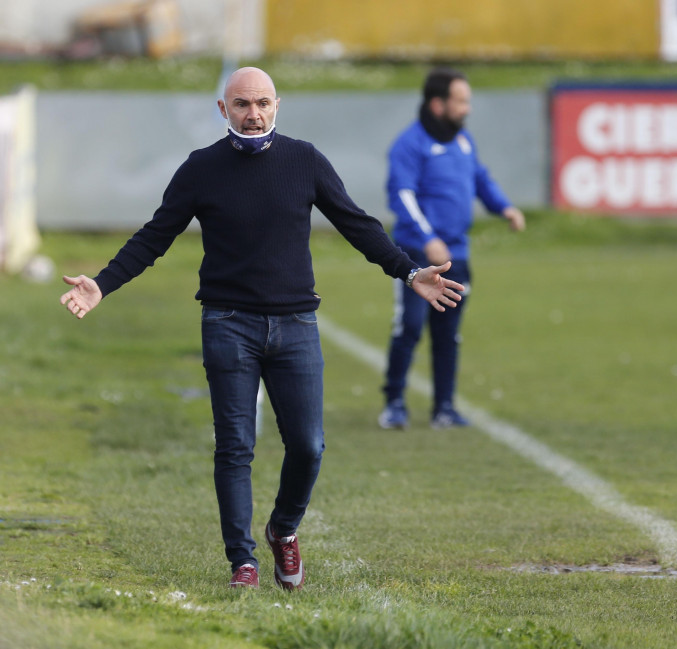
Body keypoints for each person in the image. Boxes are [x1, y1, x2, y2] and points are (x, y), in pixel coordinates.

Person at [59, 67, 464, 590]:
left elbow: (356, 223)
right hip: (227, 324)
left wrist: (409, 271)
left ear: (278, 106)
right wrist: (102, 284)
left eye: (264, 104)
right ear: (223, 110)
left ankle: (283, 529)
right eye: (243, 104)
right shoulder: (200, 169)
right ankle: (242, 563)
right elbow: (153, 237)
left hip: (296, 325)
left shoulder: (304, 160)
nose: (255, 115)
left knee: (309, 446)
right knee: (234, 445)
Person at [378, 67, 526, 430]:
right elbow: (402, 196)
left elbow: (480, 179)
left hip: (456, 255)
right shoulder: (409, 144)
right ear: (438, 104)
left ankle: (444, 407)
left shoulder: (464, 142)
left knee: (448, 332)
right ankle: (394, 402)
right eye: (461, 101)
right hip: (416, 257)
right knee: (410, 327)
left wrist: (503, 206)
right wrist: (428, 238)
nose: (468, 109)